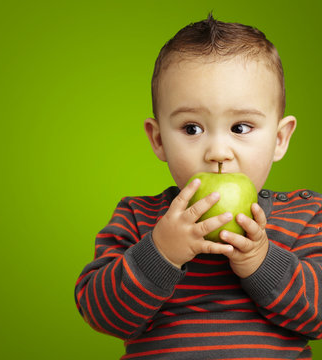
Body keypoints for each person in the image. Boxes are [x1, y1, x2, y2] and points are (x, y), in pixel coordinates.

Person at [75, 14, 322, 359]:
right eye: (192, 128)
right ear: (158, 139)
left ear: (280, 139)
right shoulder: (138, 218)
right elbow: (102, 314)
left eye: (241, 127)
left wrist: (261, 261)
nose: (218, 153)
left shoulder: (307, 216)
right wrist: (160, 252)